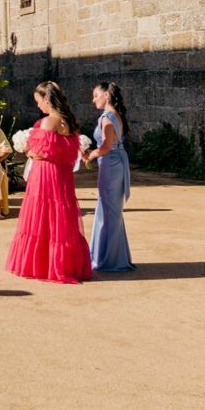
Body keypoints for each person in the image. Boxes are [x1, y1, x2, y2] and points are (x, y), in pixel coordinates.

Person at [7, 81, 93, 284]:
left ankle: (43, 264)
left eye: (39, 101)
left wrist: (27, 150)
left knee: (41, 215)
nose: (38, 106)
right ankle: (65, 263)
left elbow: (38, 153)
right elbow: (71, 153)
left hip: (45, 175)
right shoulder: (68, 122)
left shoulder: (48, 122)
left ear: (47, 99)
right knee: (61, 217)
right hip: (63, 176)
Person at [82, 81, 134, 272]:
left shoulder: (106, 117)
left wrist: (90, 155)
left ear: (106, 96)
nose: (93, 99)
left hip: (110, 165)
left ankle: (106, 259)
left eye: (96, 95)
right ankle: (113, 256)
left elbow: (105, 146)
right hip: (116, 163)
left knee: (108, 211)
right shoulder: (115, 115)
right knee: (112, 211)